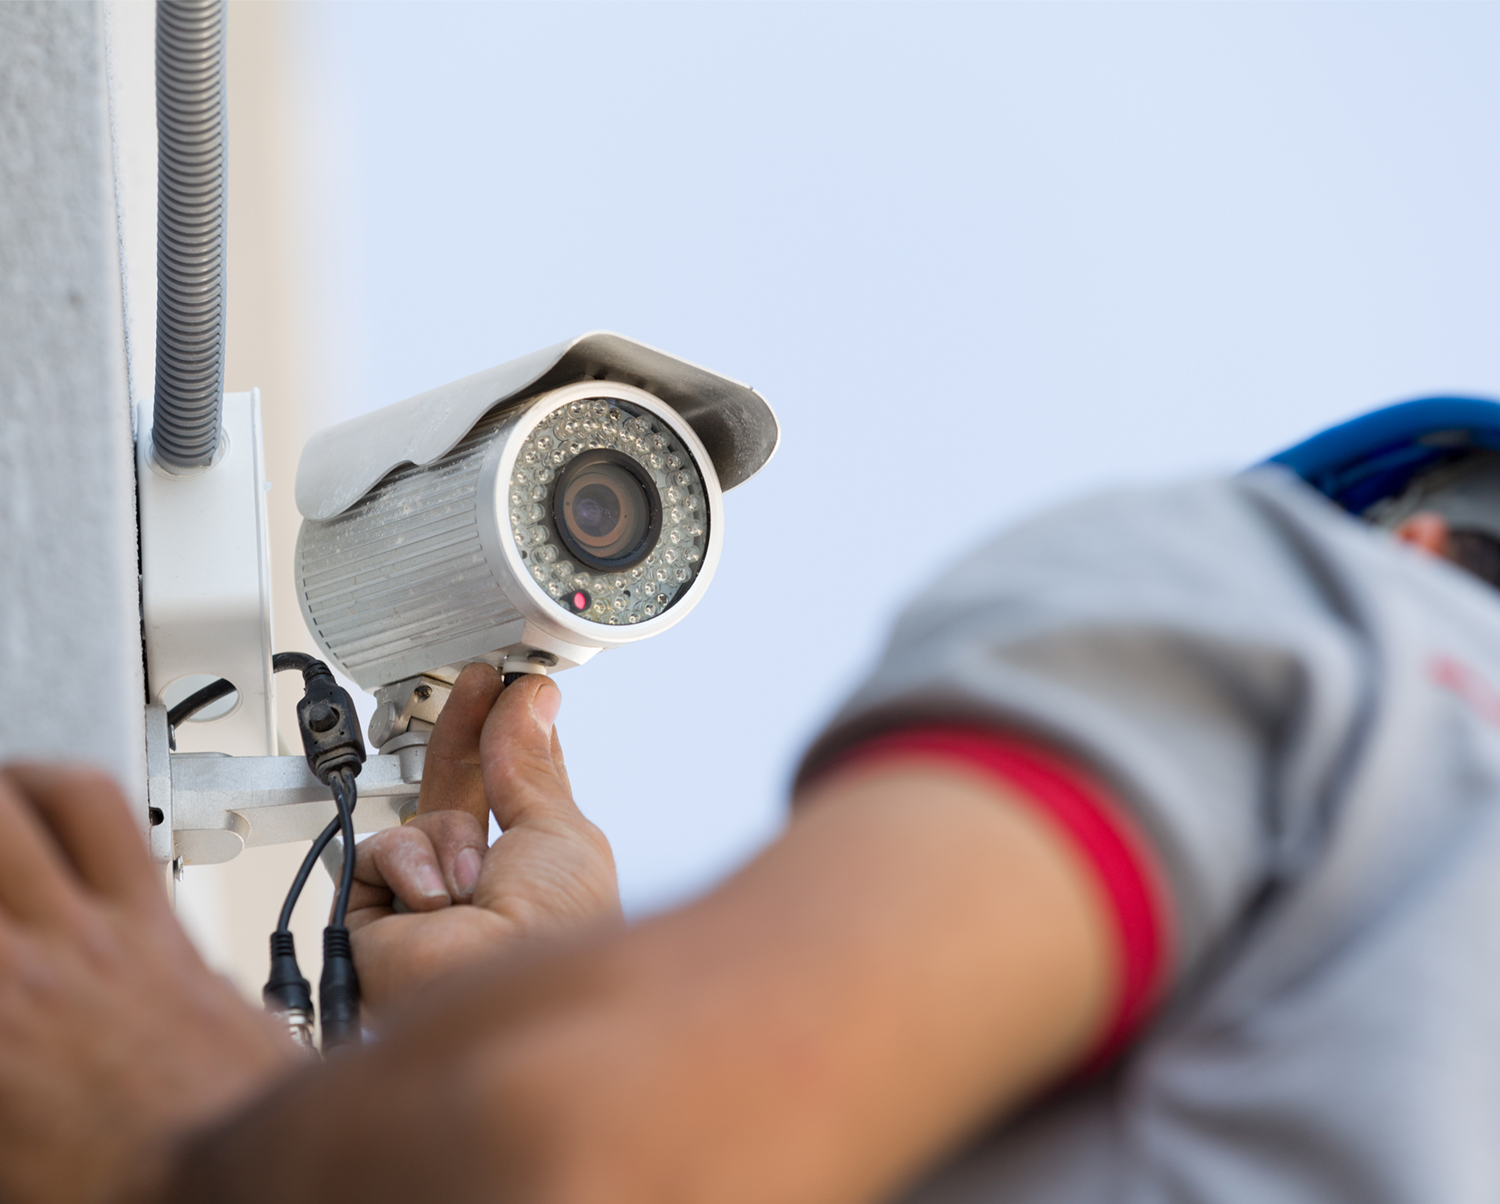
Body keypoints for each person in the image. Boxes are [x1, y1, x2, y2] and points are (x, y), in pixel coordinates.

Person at [5, 396, 1500, 1204]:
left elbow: (584, 1155)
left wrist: (184, 1134)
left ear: (1416, 541)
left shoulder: (1331, 626)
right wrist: (542, 994)